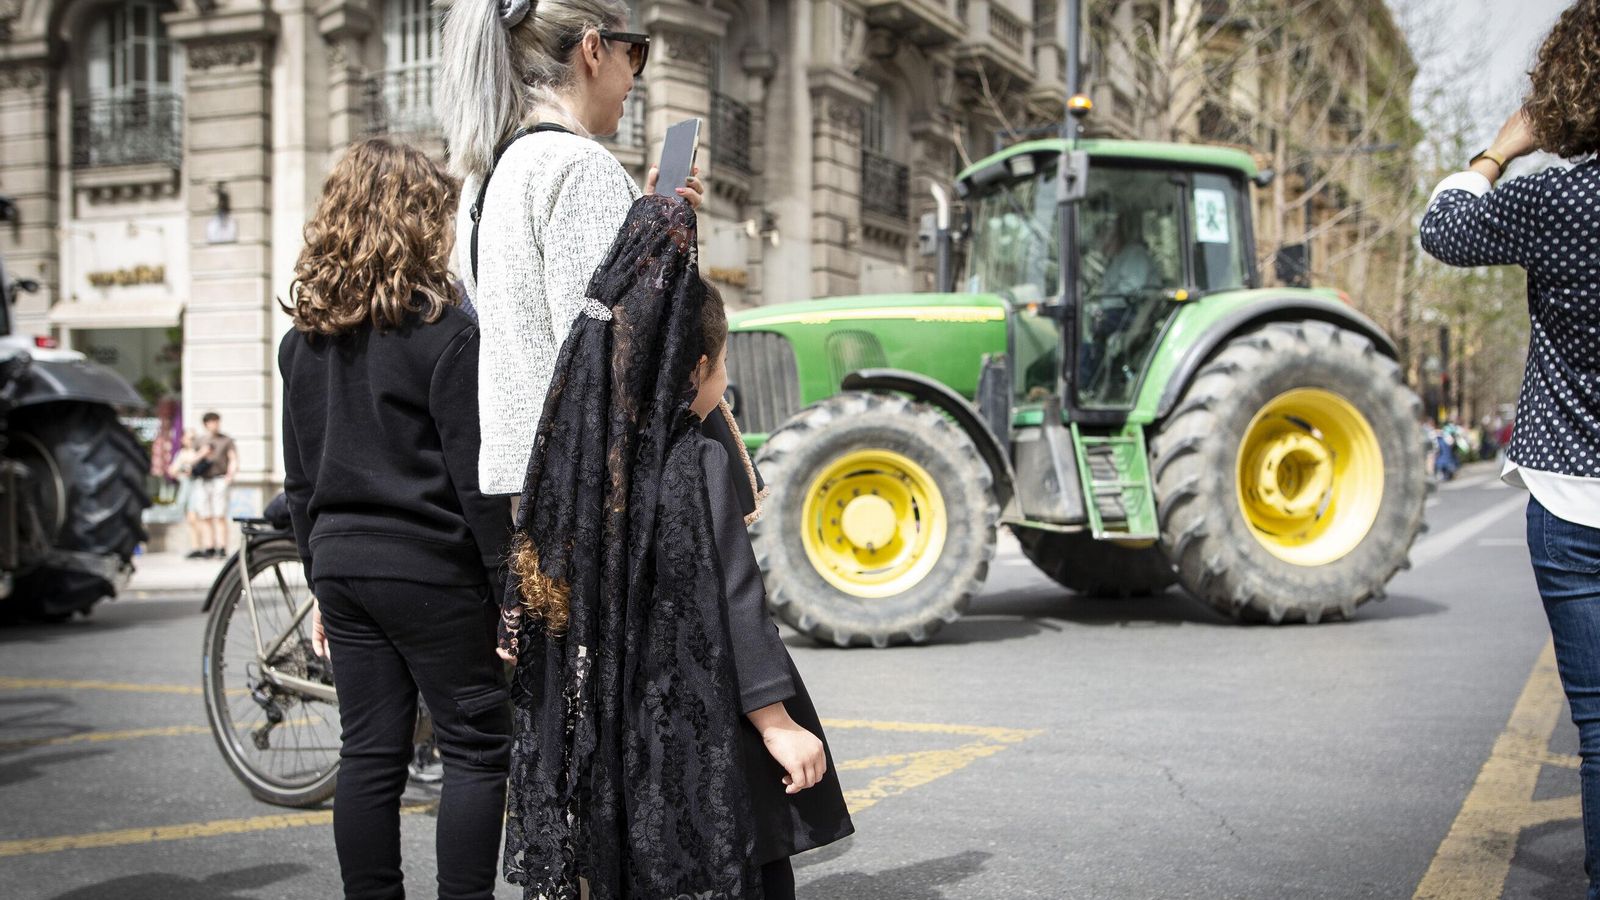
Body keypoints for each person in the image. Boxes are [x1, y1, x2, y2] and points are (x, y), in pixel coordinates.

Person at [497, 196, 852, 900]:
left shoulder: (584, 467)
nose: (725, 388)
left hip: (616, 735)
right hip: (700, 716)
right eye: (721, 371)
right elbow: (735, 595)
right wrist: (777, 722)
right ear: (692, 370)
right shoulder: (696, 462)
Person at [278, 137, 513, 900]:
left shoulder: (302, 343)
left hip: (343, 567)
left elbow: (301, 478)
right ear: (419, 220)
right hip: (431, 568)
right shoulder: (448, 335)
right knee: (476, 746)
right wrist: (509, 590)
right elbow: (476, 484)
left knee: (369, 753)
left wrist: (319, 578)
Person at [1419, 1, 1600, 894]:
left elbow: (1440, 231)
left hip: (1575, 498)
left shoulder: (1551, 196)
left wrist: (1497, 150)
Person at [435, 0, 705, 501]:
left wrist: (645, 229)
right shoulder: (578, 166)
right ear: (593, 49)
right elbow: (620, 360)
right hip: (597, 496)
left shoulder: (484, 177)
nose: (635, 76)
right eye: (635, 52)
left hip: (529, 489)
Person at [191, 411, 237, 557]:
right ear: (206, 424)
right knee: (205, 514)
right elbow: (191, 461)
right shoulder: (199, 440)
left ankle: (222, 546)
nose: (215, 425)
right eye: (212, 422)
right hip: (203, 480)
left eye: (217, 421)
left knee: (220, 514)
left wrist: (230, 475)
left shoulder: (226, 440)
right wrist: (202, 453)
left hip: (219, 479)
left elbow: (233, 458)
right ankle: (209, 546)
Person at [167, 429, 208, 559]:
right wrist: (182, 471)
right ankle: (196, 547)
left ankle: (205, 546)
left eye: (193, 438)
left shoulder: (200, 452)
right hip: (186, 488)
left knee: (199, 518)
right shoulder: (182, 453)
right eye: (189, 438)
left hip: (198, 488)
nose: (191, 441)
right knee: (191, 519)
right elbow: (172, 470)